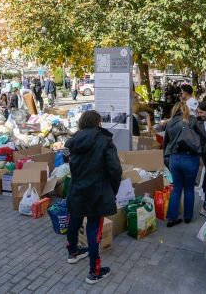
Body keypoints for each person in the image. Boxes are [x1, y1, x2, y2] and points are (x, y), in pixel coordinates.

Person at [64, 110, 122, 285]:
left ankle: (73, 252)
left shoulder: (75, 140)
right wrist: (113, 189)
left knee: (75, 220)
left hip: (78, 189)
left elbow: (72, 164)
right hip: (97, 191)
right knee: (93, 228)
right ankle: (94, 271)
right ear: (98, 123)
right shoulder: (105, 141)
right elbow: (115, 169)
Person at [162, 101, 206, 227]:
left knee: (176, 189)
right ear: (186, 109)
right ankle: (188, 217)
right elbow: (204, 136)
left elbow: (166, 143)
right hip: (190, 158)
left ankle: (172, 218)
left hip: (174, 158)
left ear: (174, 110)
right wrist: (200, 150)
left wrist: (167, 159)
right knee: (189, 189)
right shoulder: (192, 120)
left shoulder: (170, 123)